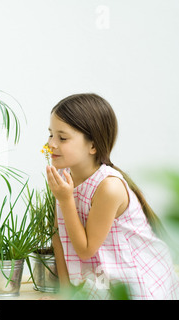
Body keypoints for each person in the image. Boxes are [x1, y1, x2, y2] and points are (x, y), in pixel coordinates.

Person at [46, 93, 179, 299]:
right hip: (102, 280)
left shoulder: (109, 187)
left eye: (62, 137)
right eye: (50, 134)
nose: (51, 144)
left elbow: (86, 250)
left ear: (93, 145)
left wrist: (65, 200)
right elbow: (58, 237)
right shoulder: (66, 179)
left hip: (135, 283)